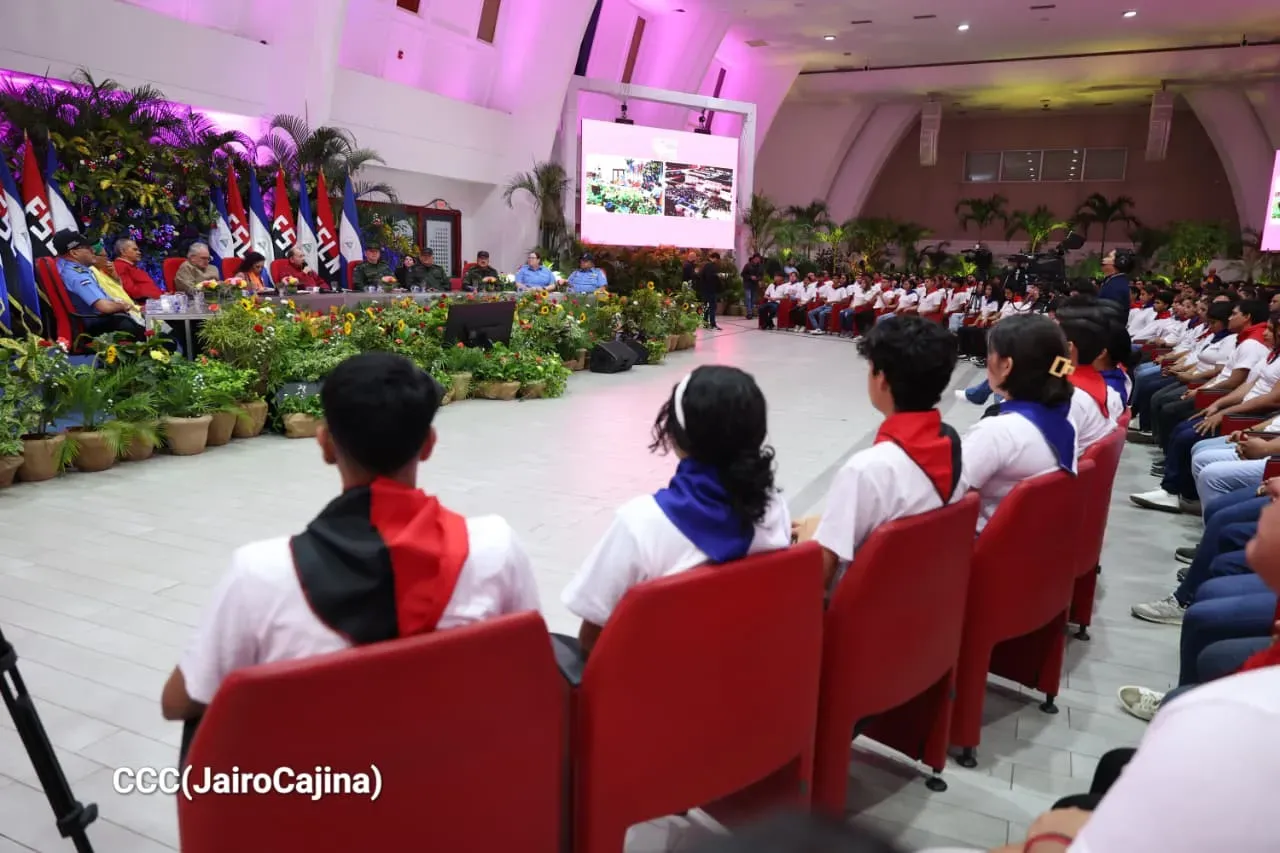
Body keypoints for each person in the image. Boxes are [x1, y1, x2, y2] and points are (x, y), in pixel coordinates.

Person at [161, 352, 540, 725]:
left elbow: (180, 702)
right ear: (428, 445)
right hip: (461, 773)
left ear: (325, 445)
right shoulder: (495, 550)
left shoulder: (260, 577)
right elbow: (527, 664)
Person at [561, 366, 790, 655]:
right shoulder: (774, 510)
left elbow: (592, 637)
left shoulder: (642, 525)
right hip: (745, 678)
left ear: (679, 437)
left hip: (659, 691)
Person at [795, 317, 962, 585]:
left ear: (881, 379)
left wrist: (804, 543)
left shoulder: (868, 470)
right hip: (923, 594)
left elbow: (819, 576)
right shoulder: (952, 446)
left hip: (859, 611)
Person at [961, 314, 1079, 531]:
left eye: (989, 353)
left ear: (1006, 365)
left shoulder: (997, 432)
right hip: (1028, 542)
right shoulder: (1064, 416)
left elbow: (943, 493)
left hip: (983, 546)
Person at [53, 230, 148, 340]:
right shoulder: (77, 275)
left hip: (97, 320)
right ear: (74, 253)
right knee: (160, 330)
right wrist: (124, 306)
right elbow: (105, 307)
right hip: (98, 325)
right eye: (88, 248)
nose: (93, 250)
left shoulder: (66, 267)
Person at [697, 251, 722, 330]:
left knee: (706, 307)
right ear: (714, 258)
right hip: (710, 290)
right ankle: (712, 323)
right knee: (712, 307)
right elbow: (711, 278)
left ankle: (705, 322)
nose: (717, 262)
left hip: (705, 290)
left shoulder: (704, 265)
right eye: (717, 260)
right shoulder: (710, 266)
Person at [741, 253, 765, 320]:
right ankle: (749, 313)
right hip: (747, 284)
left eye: (759, 259)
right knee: (748, 298)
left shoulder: (760, 266)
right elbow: (743, 274)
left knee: (752, 299)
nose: (758, 260)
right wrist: (750, 277)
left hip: (755, 284)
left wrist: (758, 278)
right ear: (753, 258)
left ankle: (750, 312)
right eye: (756, 259)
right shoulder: (748, 265)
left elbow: (762, 276)